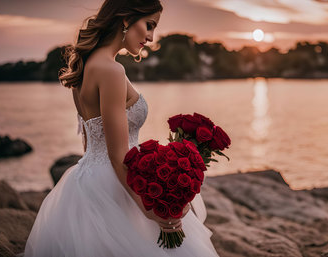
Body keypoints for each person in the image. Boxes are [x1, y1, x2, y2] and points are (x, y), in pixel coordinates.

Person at [24, 0, 219, 256]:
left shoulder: (84, 66)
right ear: (126, 19)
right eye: (149, 25)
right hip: (118, 185)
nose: (150, 37)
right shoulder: (112, 71)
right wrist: (150, 210)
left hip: (87, 182)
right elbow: (118, 156)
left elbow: (89, 143)